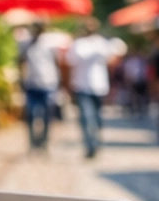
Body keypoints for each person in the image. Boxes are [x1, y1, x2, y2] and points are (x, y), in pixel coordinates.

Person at [65, 24, 123, 159]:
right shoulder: (81, 44)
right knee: (86, 116)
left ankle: (95, 141)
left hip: (98, 86)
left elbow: (114, 57)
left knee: (96, 117)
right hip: (82, 86)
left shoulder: (100, 43)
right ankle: (90, 144)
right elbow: (69, 61)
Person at [19, 26, 66, 149]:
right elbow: (21, 62)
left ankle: (44, 141)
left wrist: (59, 82)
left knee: (46, 115)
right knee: (31, 115)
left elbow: (56, 64)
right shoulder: (27, 45)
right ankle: (33, 142)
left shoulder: (50, 46)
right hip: (32, 84)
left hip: (48, 83)